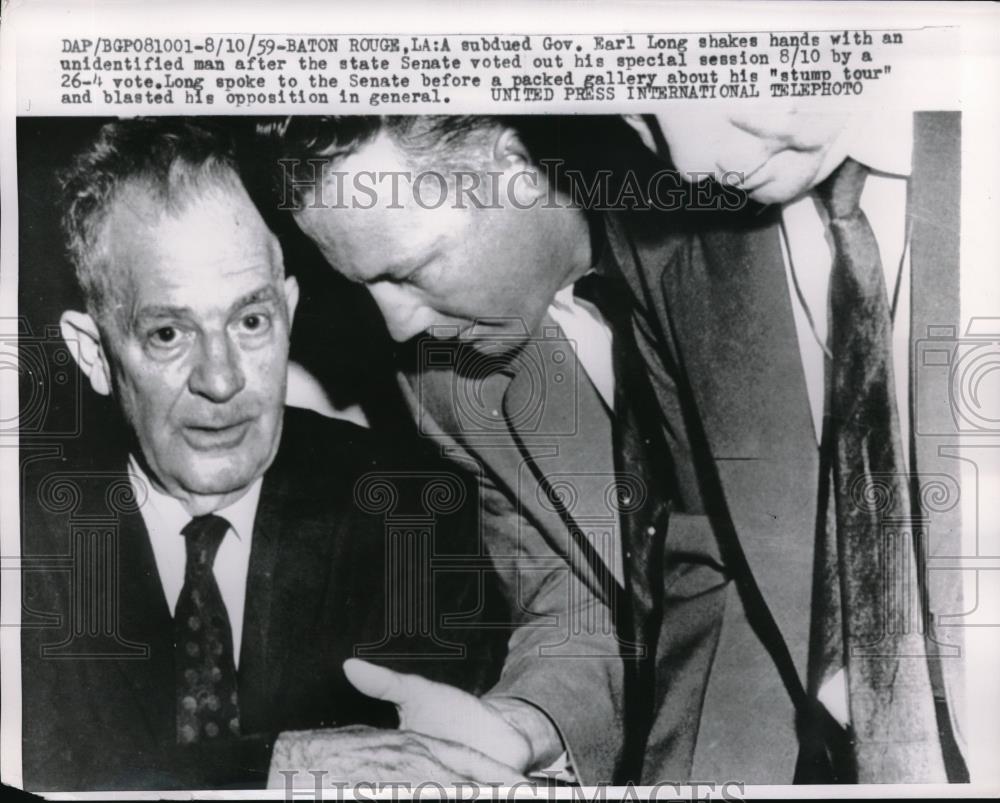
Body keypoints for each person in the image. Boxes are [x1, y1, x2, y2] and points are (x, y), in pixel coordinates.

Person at [264, 111, 975, 784]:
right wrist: (523, 721)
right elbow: (573, 600)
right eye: (367, 286)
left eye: (408, 270)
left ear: (511, 162)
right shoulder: (449, 384)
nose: (396, 326)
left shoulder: (754, 204)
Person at [19, 118, 513, 791]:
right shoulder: (24, 543)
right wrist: (275, 766)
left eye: (251, 321)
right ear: (91, 353)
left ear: (287, 309)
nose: (222, 380)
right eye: (168, 332)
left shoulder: (410, 515)